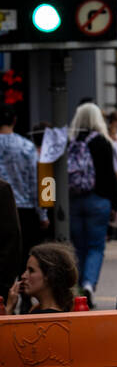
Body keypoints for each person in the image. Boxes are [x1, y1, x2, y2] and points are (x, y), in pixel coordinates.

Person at [66, 102, 117, 308]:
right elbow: (110, 177)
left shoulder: (70, 141)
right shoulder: (102, 142)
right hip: (99, 201)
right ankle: (89, 284)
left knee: (78, 246)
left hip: (73, 200)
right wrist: (114, 204)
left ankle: (78, 290)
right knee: (96, 246)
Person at [0, 104, 48, 261]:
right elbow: (36, 182)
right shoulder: (27, 147)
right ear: (15, 120)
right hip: (23, 210)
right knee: (23, 257)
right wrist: (43, 214)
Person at [5, 242, 78, 315]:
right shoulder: (66, 311)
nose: (23, 276)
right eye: (26, 270)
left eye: (31, 270)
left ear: (49, 276)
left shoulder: (41, 318)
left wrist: (9, 308)